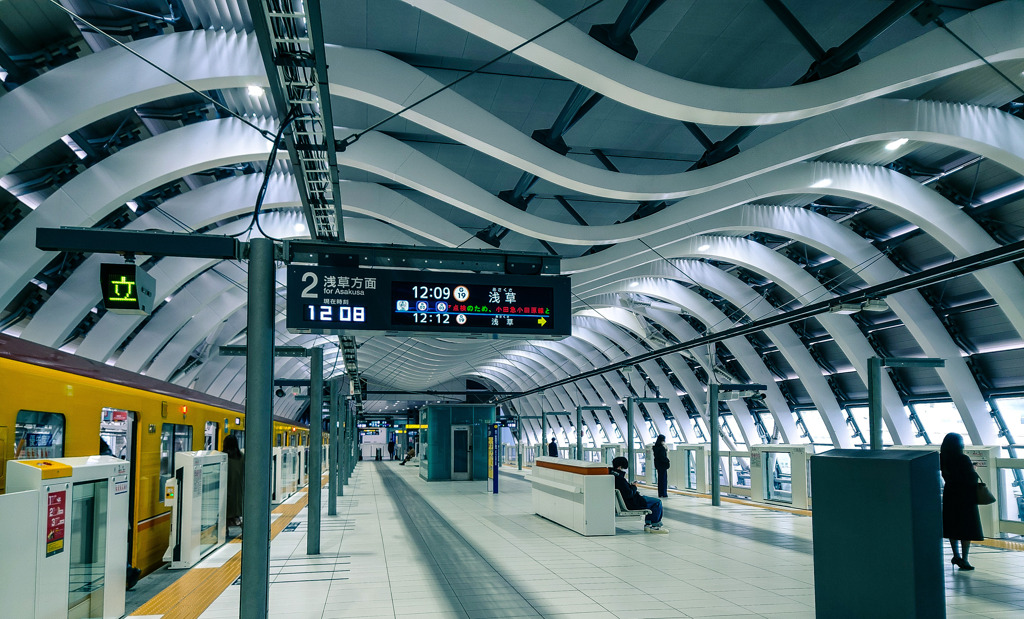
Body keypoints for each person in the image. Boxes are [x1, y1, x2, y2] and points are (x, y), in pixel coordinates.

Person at [940, 432, 983, 570]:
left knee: (953, 526)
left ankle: (956, 555)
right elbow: (970, 478)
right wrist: (973, 469)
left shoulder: (943, 458)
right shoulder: (963, 458)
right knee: (966, 527)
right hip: (964, 498)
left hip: (950, 496)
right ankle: (965, 559)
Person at [610, 456, 667, 533]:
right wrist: (634, 486)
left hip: (629, 501)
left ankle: (648, 524)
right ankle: (655, 526)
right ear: (620, 467)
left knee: (653, 501)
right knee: (657, 502)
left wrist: (630, 486)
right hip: (633, 502)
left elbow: (625, 490)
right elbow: (629, 494)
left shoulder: (612, 476)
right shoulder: (620, 479)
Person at [223, 434, 244, 528]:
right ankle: (243, 529)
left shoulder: (223, 457)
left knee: (225, 510)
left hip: (225, 488)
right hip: (238, 489)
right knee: (236, 511)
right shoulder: (241, 456)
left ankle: (224, 531)